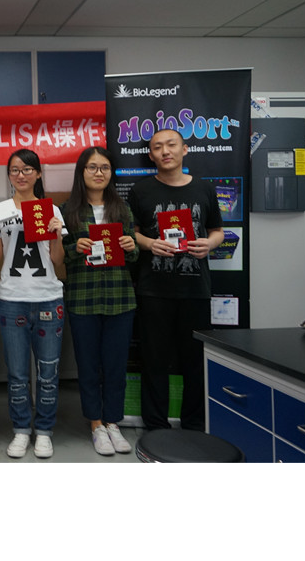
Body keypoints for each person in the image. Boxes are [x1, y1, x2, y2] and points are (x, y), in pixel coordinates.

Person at [128, 129, 224, 431]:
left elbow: (218, 230)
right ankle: (156, 426)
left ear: (185, 149)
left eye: (171, 145)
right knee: (154, 360)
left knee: (194, 360)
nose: (165, 151)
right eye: (157, 147)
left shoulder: (204, 189)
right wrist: (149, 243)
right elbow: (131, 233)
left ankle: (194, 424)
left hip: (195, 289)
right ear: (151, 155)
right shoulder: (141, 190)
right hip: (153, 289)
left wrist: (209, 244)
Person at [0, 148, 65, 459]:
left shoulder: (51, 210)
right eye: (15, 170)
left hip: (48, 297)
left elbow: (58, 261)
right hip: (12, 299)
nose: (21, 175)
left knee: (48, 372)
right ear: (9, 175)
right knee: (16, 373)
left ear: (38, 174)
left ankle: (45, 431)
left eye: (28, 169)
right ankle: (21, 429)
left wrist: (57, 235)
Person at [60, 146, 139, 455]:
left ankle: (113, 422)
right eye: (92, 167)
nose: (98, 173)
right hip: (84, 298)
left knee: (116, 365)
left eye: (104, 167)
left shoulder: (123, 209)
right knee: (89, 365)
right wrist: (73, 248)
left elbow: (134, 255)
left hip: (120, 298)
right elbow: (58, 255)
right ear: (82, 173)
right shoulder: (67, 210)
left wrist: (131, 246)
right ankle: (95, 424)